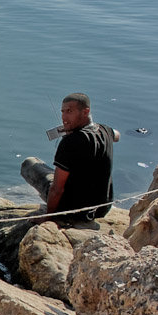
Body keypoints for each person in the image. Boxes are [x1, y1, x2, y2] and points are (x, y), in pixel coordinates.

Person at [21, 92, 120, 220]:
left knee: (30, 164)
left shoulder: (70, 142)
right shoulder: (105, 130)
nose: (64, 117)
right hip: (102, 209)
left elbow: (57, 189)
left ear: (85, 111)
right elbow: (117, 135)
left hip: (75, 211)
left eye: (69, 111)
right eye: (62, 112)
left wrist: (49, 217)